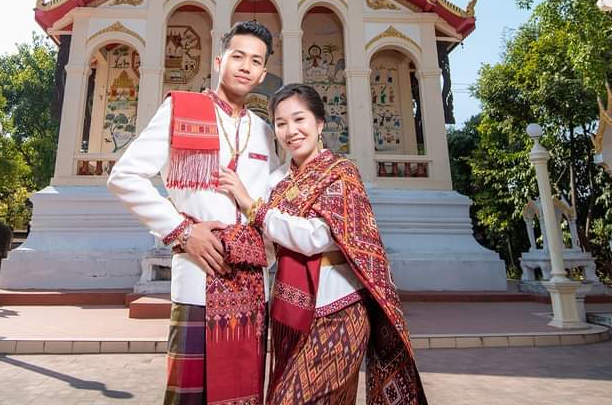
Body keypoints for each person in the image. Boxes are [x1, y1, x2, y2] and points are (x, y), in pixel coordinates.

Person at [107, 21, 283, 405]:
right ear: (220, 61)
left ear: (263, 73)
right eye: (238, 56)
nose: (245, 66)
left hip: (252, 285)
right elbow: (123, 176)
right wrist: (182, 232)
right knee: (191, 396)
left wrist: (263, 247)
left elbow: (270, 199)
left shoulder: (265, 131)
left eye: (255, 61)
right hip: (199, 277)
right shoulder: (181, 109)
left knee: (246, 392)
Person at [218, 83, 428, 404]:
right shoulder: (277, 182)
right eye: (281, 123)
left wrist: (252, 206)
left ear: (319, 124)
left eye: (299, 120)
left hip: (341, 311)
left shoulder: (341, 173)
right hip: (291, 313)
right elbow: (269, 248)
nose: (291, 131)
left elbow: (316, 237)